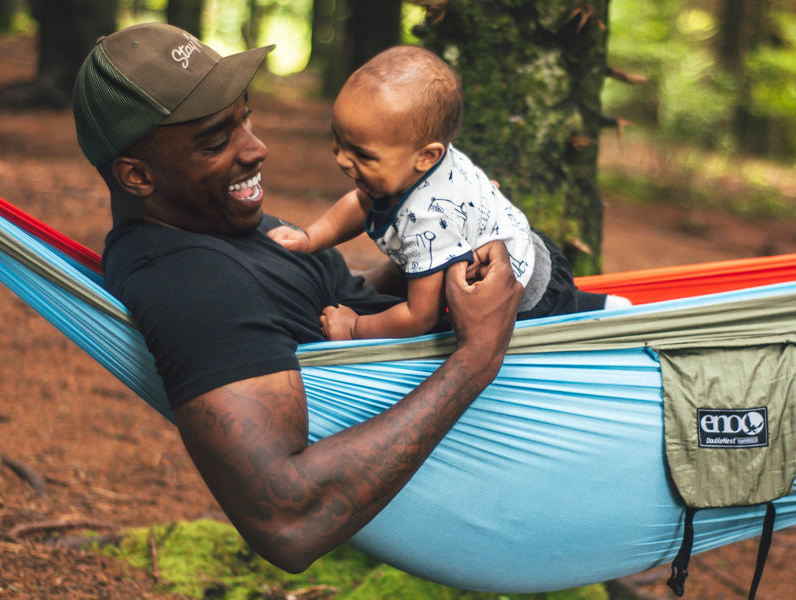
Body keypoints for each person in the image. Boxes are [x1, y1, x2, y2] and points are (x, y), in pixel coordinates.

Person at [71, 22, 524, 572]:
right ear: (137, 176)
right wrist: (476, 359)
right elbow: (286, 521)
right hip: (514, 419)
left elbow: (331, 298)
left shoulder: (214, 223)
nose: (256, 149)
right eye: (216, 141)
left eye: (246, 118)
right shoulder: (187, 284)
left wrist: (437, 247)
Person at [268, 45, 628, 341]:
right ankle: (606, 307)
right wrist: (311, 238)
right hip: (530, 248)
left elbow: (418, 317)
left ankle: (608, 316)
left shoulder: (428, 221)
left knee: (544, 322)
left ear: (427, 156)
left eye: (362, 154)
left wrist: (355, 328)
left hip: (526, 300)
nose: (343, 159)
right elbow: (360, 203)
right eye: (338, 139)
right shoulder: (411, 164)